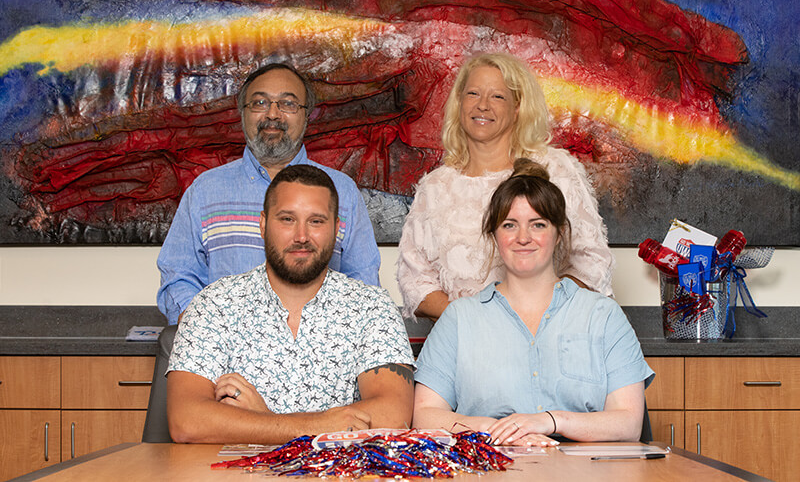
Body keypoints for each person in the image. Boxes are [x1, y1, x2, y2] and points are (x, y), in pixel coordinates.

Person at [167, 165, 414, 444]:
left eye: (316, 221)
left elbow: (393, 417)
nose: (301, 236)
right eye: (287, 219)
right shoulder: (212, 306)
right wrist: (318, 425)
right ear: (262, 224)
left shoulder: (373, 308)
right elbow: (186, 421)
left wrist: (264, 420)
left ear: (336, 228)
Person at [412, 159, 653, 445]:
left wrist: (550, 421)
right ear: (494, 235)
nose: (523, 238)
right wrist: (499, 431)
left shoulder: (603, 315)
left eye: (537, 224)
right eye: (509, 225)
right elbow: (425, 415)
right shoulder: (459, 319)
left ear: (559, 232)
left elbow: (628, 422)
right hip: (489, 467)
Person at [157, 63, 381, 325]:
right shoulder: (204, 192)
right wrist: (212, 335)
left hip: (319, 356)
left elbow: (363, 287)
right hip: (224, 354)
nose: (272, 114)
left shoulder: (342, 192)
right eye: (260, 102)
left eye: (288, 103)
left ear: (306, 115)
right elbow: (178, 278)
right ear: (243, 114)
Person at [397, 53, 613, 320]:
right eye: (473, 93)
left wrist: (531, 319)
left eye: (497, 96)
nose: (483, 106)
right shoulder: (435, 186)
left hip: (545, 335)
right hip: (463, 342)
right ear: (459, 102)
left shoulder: (554, 170)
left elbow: (589, 261)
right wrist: (472, 321)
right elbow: (414, 279)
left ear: (518, 107)